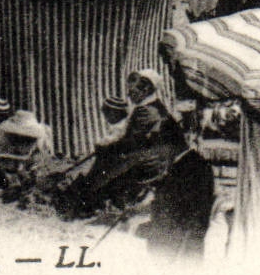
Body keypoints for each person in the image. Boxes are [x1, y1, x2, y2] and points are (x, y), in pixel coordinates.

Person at [64, 70, 187, 217]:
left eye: (132, 90)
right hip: (157, 160)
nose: (128, 94)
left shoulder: (147, 111)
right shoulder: (155, 107)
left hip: (151, 163)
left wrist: (105, 147)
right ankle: (87, 195)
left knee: (106, 161)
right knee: (108, 158)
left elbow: (131, 143)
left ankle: (82, 199)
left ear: (145, 89)